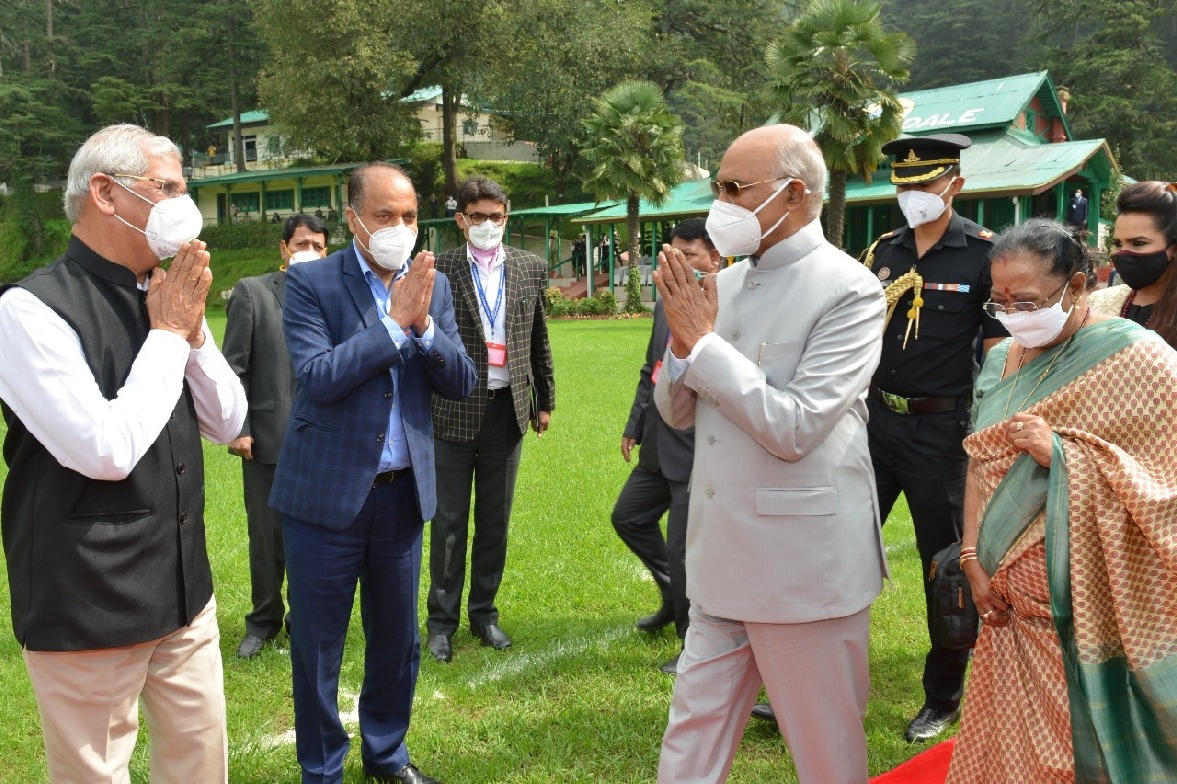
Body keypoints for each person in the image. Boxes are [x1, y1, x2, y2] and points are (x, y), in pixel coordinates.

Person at [0, 123, 246, 782]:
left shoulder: (165, 294)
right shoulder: (28, 310)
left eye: (183, 190)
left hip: (183, 591)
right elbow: (104, 450)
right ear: (104, 194)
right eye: (165, 188)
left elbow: (228, 420)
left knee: (199, 765)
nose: (181, 205)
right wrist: (167, 335)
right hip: (88, 599)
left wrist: (190, 337)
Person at [653, 124, 888, 784]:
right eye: (716, 187)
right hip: (720, 558)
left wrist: (701, 347)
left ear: (790, 195)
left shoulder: (849, 290)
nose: (718, 203)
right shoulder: (722, 286)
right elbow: (677, 413)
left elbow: (794, 428)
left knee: (824, 752)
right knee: (689, 739)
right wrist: (680, 345)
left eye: (733, 188)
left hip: (800, 568)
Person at [947, 217, 1177, 783]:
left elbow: (1167, 480)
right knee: (1010, 754)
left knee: (1067, 757)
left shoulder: (1135, 357)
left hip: (1089, 609)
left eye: (1027, 301)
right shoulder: (1002, 359)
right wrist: (974, 561)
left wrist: (1066, 455)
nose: (1013, 315)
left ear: (1078, 285)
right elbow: (981, 461)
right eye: (1000, 303)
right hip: (1007, 610)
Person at [268, 162, 476, 784]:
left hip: (401, 496)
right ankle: (322, 770)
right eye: (385, 216)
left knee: (397, 641)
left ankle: (386, 756)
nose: (400, 228)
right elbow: (318, 377)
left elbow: (462, 378)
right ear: (353, 215)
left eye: (409, 216)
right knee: (318, 647)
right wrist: (392, 324)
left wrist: (425, 324)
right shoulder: (312, 284)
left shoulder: (431, 284)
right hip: (325, 498)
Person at [859, 133, 1006, 743]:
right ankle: (819, 675)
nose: (912, 195)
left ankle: (943, 695)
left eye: (925, 183)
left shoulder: (982, 256)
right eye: (904, 184)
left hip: (942, 432)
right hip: (873, 423)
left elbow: (1002, 353)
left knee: (945, 567)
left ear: (955, 185)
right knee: (838, 547)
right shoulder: (881, 251)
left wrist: (991, 432)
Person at [425, 176, 556, 663]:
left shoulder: (529, 268)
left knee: (495, 521)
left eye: (495, 217)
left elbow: (538, 335)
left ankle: (484, 614)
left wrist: (545, 399)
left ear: (507, 219)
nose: (486, 225)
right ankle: (440, 624)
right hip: (454, 408)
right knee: (450, 522)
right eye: (476, 216)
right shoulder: (439, 269)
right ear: (460, 220)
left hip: (509, 410)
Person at [612, 217, 719, 676]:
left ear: (715, 256)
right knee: (629, 517)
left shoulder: (724, 305)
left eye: (689, 254)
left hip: (697, 450)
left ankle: (692, 643)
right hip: (658, 440)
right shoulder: (665, 302)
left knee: (683, 550)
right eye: (672, 253)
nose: (678, 261)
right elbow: (652, 368)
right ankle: (672, 595)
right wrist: (635, 423)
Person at [224, 213, 329, 659]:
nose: (310, 252)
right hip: (268, 438)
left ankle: (304, 620)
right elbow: (234, 367)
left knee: (316, 539)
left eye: (318, 246)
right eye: (302, 243)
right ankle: (263, 620)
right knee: (267, 538)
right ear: (284, 248)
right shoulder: (253, 292)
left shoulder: (334, 295)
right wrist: (240, 428)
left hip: (324, 442)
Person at [1090, 181, 1177, 346]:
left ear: (1173, 248)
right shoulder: (1098, 303)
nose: (1123, 253)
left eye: (1138, 243)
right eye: (1117, 243)